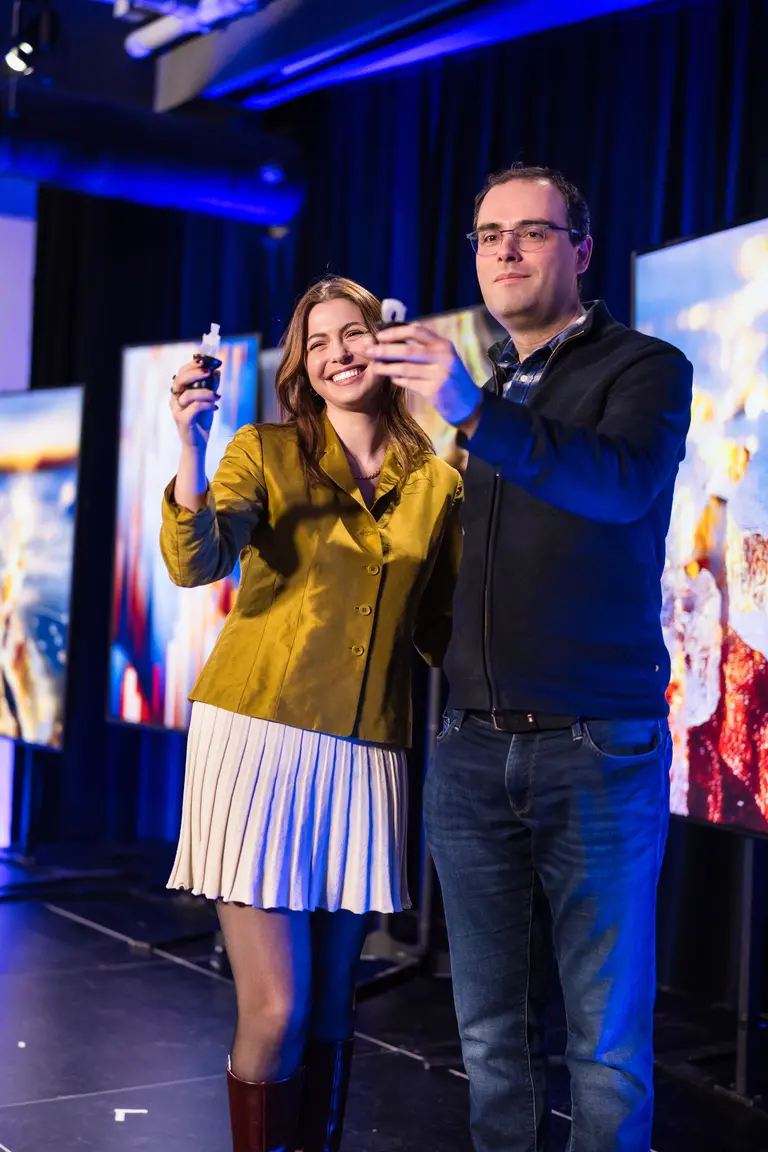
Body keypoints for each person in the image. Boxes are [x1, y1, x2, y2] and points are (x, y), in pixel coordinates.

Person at [363, 164, 693, 1152]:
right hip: (469, 749)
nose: (505, 250)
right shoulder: (492, 387)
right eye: (489, 234)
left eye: (533, 232)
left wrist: (473, 414)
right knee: (490, 1036)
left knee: (604, 1047)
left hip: (598, 746)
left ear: (581, 250)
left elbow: (620, 487)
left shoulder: (644, 368)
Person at [160, 276, 463, 1152]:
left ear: (385, 344)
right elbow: (196, 560)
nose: (336, 351)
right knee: (278, 1006)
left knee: (333, 1008)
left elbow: (442, 630)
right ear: (303, 362)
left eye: (351, 332)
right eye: (318, 339)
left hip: (368, 756)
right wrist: (192, 447)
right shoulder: (265, 448)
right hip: (256, 742)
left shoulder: (437, 480)